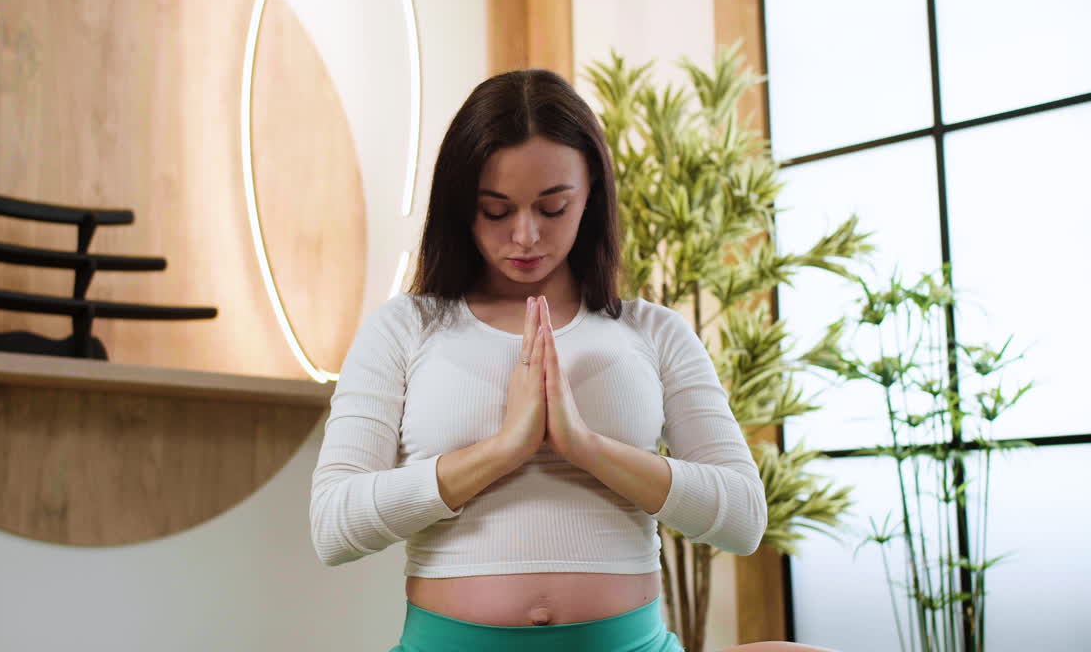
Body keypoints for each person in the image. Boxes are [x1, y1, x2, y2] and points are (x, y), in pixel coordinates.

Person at [309, 69, 837, 652]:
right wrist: (501, 451)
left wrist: (585, 447)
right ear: (462, 206)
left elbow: (743, 519)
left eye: (553, 208)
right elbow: (334, 526)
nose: (526, 235)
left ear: (590, 197)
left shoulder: (653, 331)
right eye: (496, 210)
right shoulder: (405, 328)